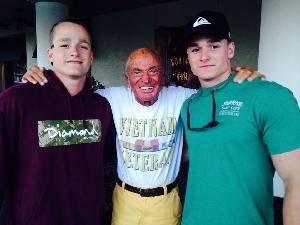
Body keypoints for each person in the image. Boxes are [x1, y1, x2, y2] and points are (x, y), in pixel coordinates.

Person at [23, 47, 264, 225]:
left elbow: (218, 94)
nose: (145, 79)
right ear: (127, 79)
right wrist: (43, 76)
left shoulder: (181, 97)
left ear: (163, 75)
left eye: (153, 71)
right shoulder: (110, 97)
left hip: (165, 201)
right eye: (137, 72)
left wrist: (240, 76)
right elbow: (70, 91)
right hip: (125, 199)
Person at [180, 10, 300, 225]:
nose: (204, 56)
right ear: (188, 56)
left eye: (214, 46)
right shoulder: (188, 105)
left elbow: (296, 180)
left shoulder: (270, 96)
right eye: (195, 49)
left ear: (231, 49)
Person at [0, 18, 113, 225]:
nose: (74, 51)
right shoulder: (15, 101)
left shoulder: (102, 107)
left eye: (83, 46)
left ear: (91, 57)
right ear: (50, 53)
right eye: (64, 44)